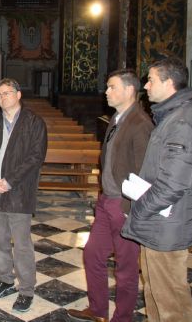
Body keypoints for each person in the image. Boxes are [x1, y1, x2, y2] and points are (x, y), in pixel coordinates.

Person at [121, 58, 192, 322]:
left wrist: (139, 209)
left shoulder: (182, 123)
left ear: (169, 82)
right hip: (163, 222)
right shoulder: (177, 115)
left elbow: (172, 185)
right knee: (156, 292)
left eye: (151, 80)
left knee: (170, 300)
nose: (146, 86)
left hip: (166, 224)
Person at [67, 69, 153, 322]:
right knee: (92, 254)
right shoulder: (117, 118)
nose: (106, 91)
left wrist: (130, 207)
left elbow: (143, 172)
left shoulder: (141, 124)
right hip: (107, 202)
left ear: (128, 90)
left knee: (126, 268)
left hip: (124, 205)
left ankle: (122, 317)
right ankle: (97, 310)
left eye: (111, 87)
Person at [0, 78, 47, 313]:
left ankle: (26, 289)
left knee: (22, 244)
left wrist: (9, 181)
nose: (2, 97)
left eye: (7, 93)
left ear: (18, 94)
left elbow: (35, 158)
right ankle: (4, 279)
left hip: (18, 192)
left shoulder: (34, 123)